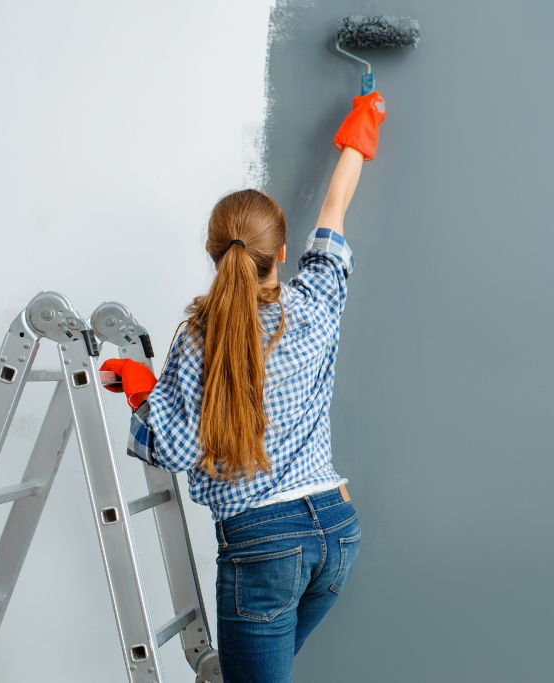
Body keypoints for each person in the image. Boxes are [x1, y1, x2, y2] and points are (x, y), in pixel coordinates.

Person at [100, 90, 386, 683]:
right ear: (281, 252)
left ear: (215, 256)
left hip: (264, 550)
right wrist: (361, 131)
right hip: (337, 535)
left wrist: (140, 391)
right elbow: (334, 213)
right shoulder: (316, 304)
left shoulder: (201, 339)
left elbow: (172, 448)